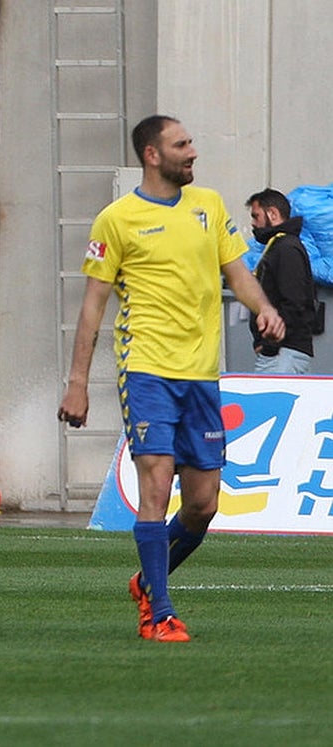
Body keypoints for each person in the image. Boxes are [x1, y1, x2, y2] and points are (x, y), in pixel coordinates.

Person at [58, 115, 285, 643]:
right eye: (182, 145)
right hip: (147, 372)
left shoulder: (208, 205)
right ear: (152, 155)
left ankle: (146, 580)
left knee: (204, 504)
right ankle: (158, 613)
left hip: (201, 376)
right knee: (156, 485)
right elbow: (92, 307)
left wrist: (264, 308)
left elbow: (237, 272)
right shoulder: (116, 220)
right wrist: (77, 382)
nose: (193, 152)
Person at [245, 188, 317, 374]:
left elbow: (294, 303)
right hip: (279, 354)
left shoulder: (287, 249)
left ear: (273, 214)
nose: (253, 224)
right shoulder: (279, 247)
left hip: (283, 354)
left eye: (256, 216)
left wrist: (269, 346)